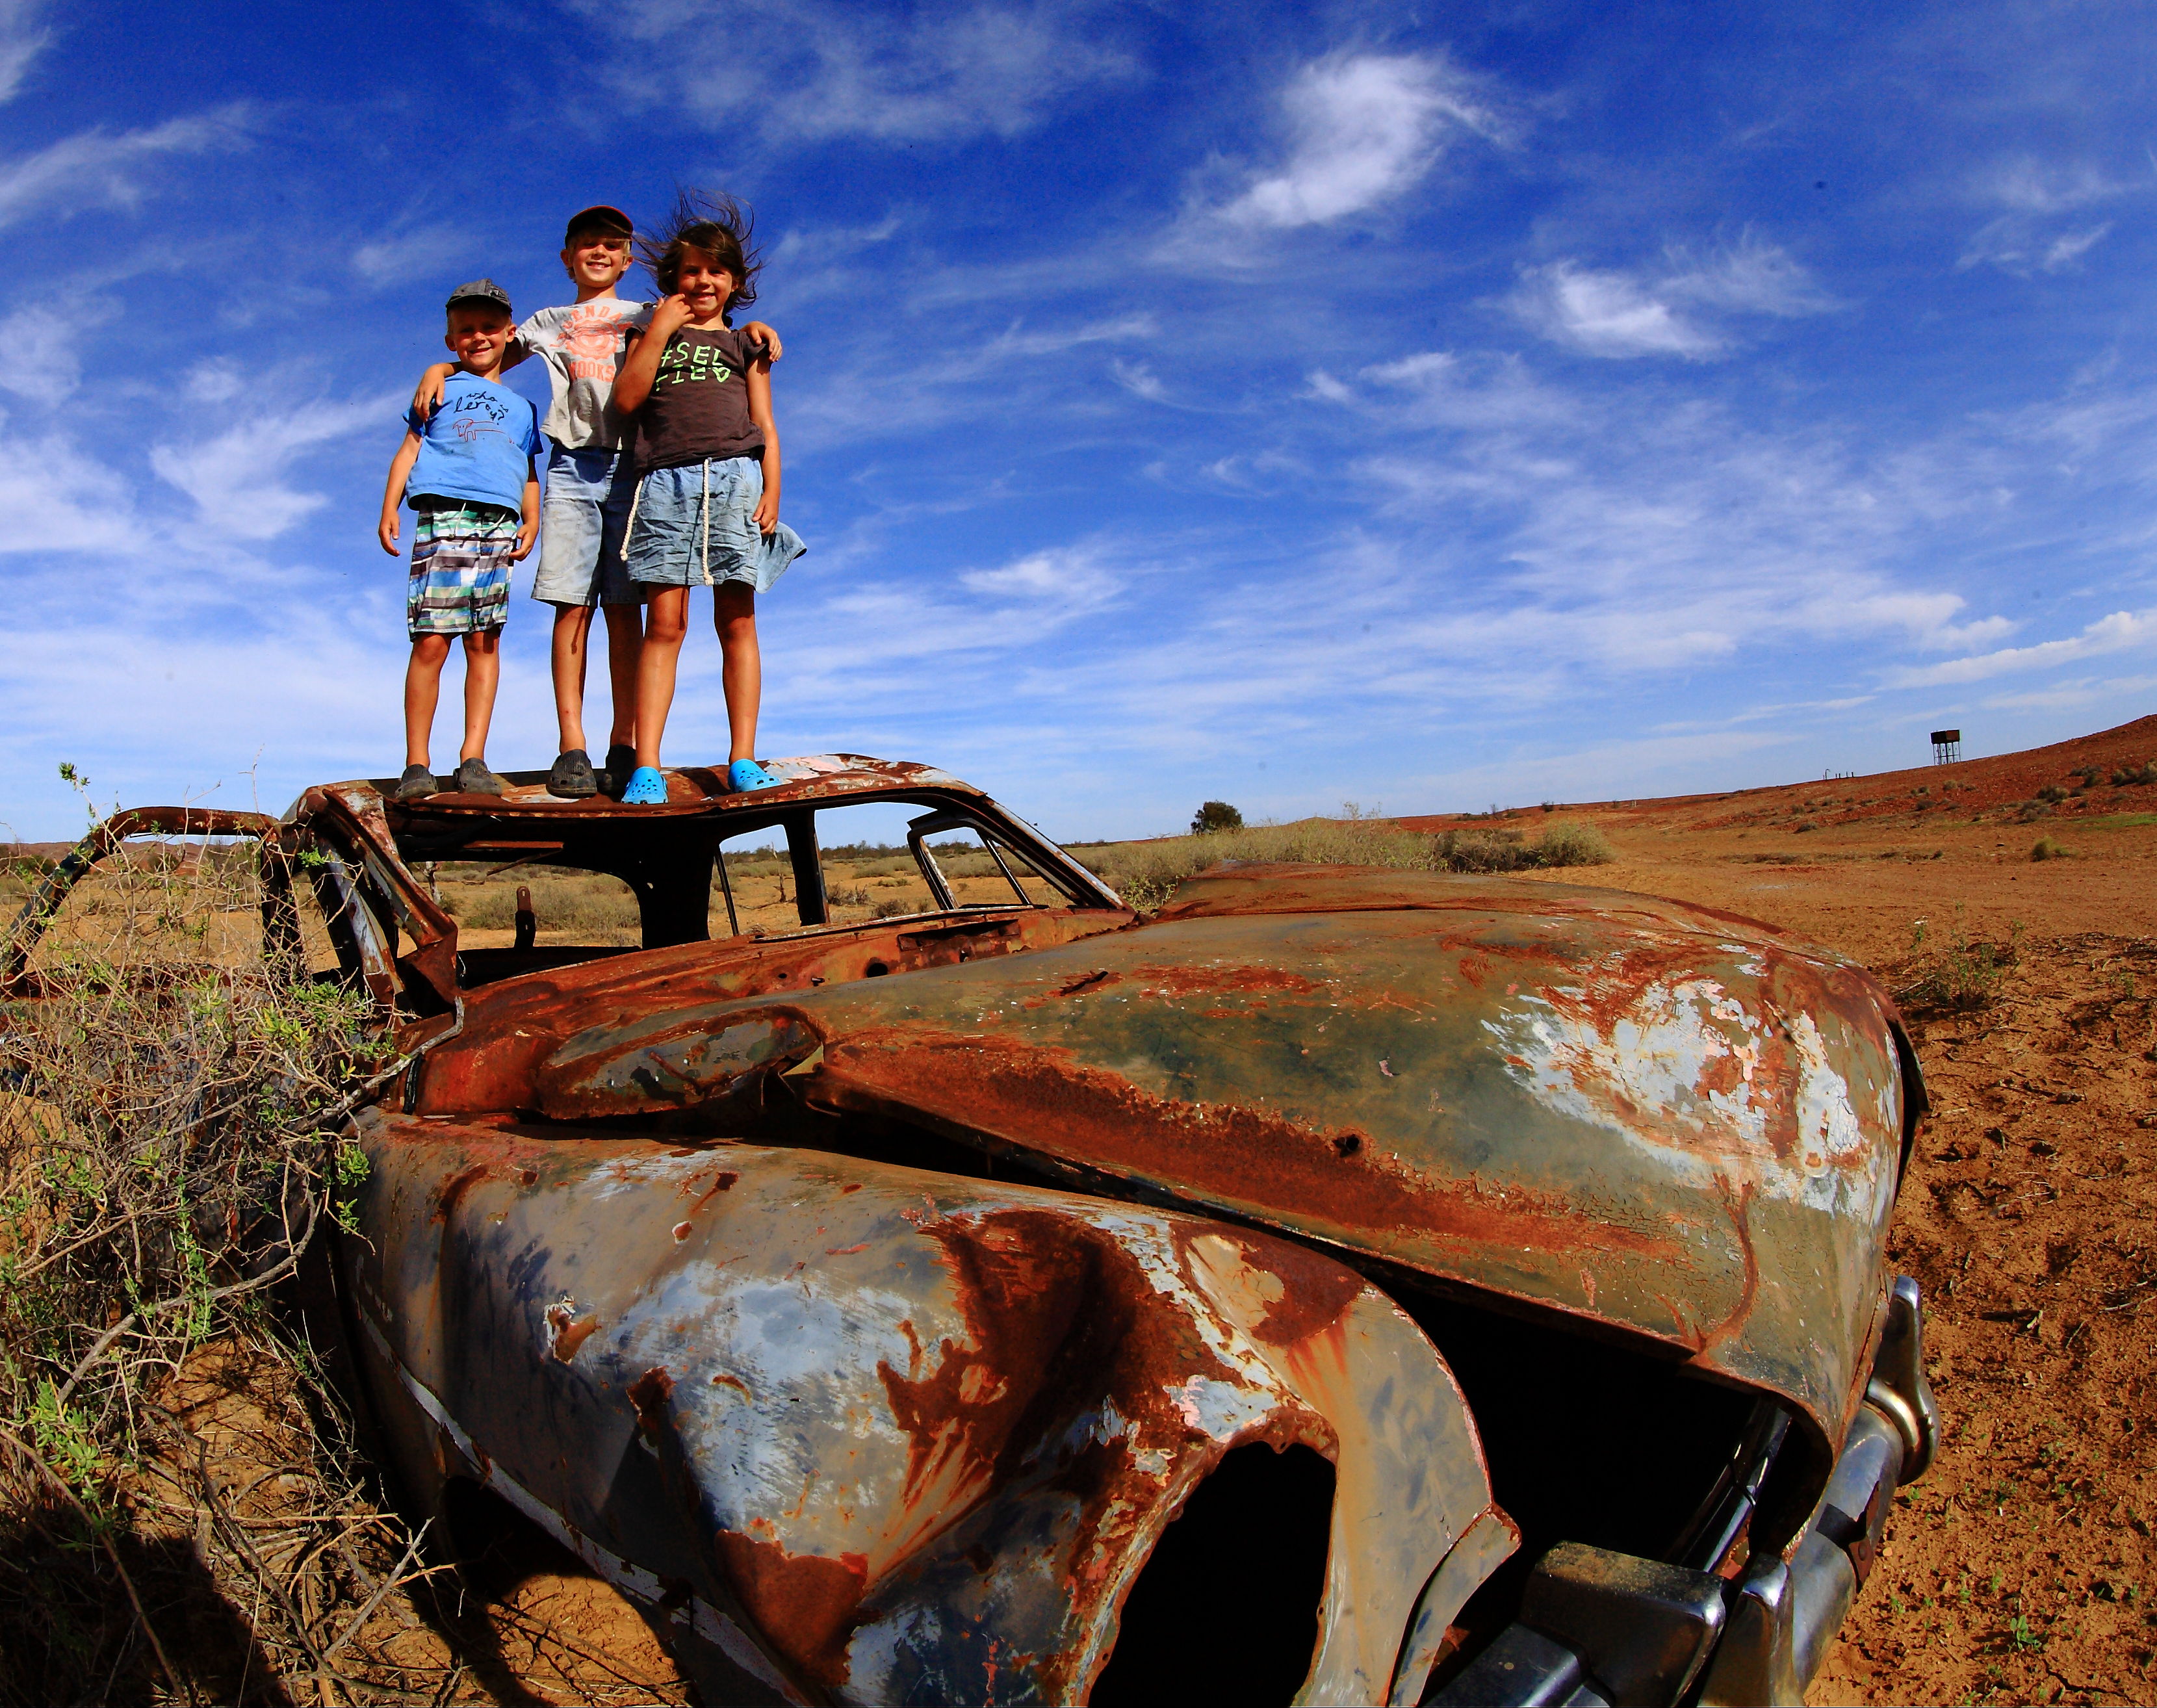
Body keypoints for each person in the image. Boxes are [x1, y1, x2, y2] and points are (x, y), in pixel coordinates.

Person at [411, 207, 784, 798]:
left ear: (629, 259)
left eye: (612, 244)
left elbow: (712, 323)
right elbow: (487, 354)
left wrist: (755, 326)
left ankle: (624, 744)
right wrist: (442, 368)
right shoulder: (550, 321)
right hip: (573, 467)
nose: (599, 252)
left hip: (641, 469)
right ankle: (573, 746)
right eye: (587, 243)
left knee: (627, 609)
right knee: (572, 604)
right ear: (567, 258)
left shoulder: (650, 314)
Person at [610, 193, 804, 805]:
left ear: (735, 282)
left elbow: (765, 425)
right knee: (665, 623)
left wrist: (773, 489)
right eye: (691, 270)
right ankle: (647, 766)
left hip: (736, 482)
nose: (703, 281)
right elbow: (627, 401)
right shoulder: (648, 331)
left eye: (716, 271)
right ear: (673, 278)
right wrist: (660, 329)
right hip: (665, 484)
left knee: (737, 620)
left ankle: (742, 758)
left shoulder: (749, 344)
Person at [378, 279, 540, 802]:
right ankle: (416, 763)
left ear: (509, 333)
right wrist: (389, 505)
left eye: (489, 327)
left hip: (499, 524)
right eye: (466, 330)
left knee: (483, 640)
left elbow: (528, 468)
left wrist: (532, 518)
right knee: (431, 639)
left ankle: (473, 757)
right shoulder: (439, 386)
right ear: (451, 341)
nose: (478, 337)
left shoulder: (523, 407)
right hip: (445, 514)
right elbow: (410, 448)